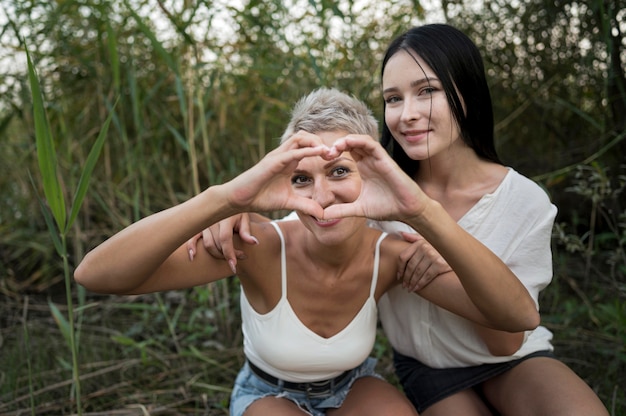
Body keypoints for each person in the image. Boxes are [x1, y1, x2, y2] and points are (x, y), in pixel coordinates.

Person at [188, 25, 610, 415]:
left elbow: (508, 338)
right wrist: (231, 211)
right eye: (393, 98)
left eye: (426, 91)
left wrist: (447, 252)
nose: (406, 113)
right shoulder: (370, 193)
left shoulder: (523, 201)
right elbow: (308, 215)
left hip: (514, 356)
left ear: (468, 93)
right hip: (428, 369)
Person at [74, 87, 540, 416]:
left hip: (353, 389)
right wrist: (226, 199)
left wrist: (422, 212)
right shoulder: (258, 245)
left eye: (339, 171)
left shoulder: (393, 255)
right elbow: (97, 275)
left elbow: (517, 316)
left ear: (371, 175)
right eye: (302, 178)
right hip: (268, 394)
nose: (321, 195)